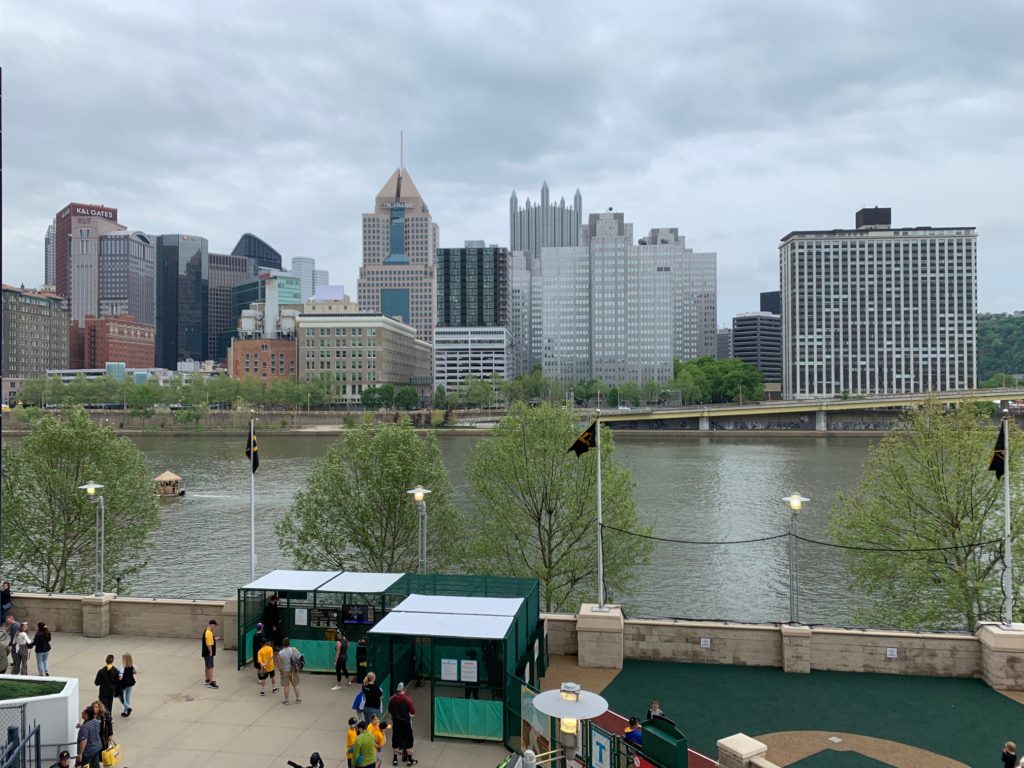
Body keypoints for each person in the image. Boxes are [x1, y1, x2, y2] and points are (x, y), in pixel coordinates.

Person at [388, 681, 417, 766]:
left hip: (396, 724)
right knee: (409, 742)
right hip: (406, 724)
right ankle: (409, 760)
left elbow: (390, 710)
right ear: (404, 689)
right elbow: (413, 712)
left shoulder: (392, 699)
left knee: (395, 742)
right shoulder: (408, 700)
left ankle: (395, 759)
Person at [279, 637, 303, 704]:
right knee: (296, 684)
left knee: (286, 685)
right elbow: (300, 657)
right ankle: (298, 699)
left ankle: (286, 700)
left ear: (283, 643)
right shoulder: (294, 649)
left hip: (285, 670)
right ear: (289, 643)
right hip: (293, 669)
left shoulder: (280, 653)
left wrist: (281, 671)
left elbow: (279, 665)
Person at [118, 652, 137, 717]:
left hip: (123, 684)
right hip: (131, 682)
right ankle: (125, 711)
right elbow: (134, 672)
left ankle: (128, 708)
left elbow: (120, 677)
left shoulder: (122, 667)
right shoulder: (133, 665)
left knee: (121, 697)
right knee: (128, 696)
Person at [201, 619, 218, 688]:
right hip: (208, 653)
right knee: (210, 667)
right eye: (214, 625)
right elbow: (208, 644)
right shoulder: (208, 632)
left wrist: (214, 639)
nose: (215, 627)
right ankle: (211, 683)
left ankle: (207, 680)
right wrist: (211, 652)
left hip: (205, 653)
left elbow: (209, 640)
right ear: (211, 625)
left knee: (207, 666)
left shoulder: (207, 631)